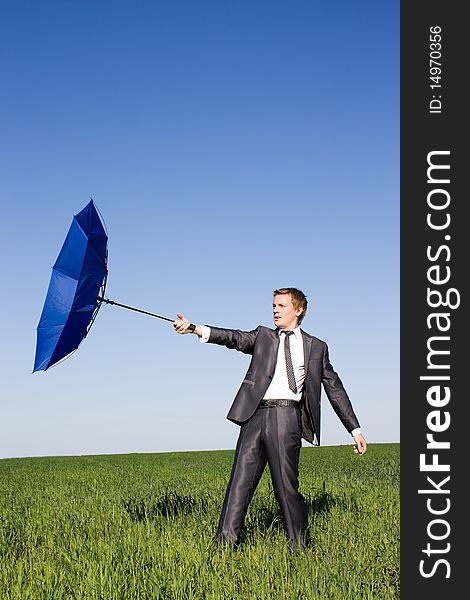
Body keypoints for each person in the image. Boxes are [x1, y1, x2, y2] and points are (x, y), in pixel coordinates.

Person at [173, 287, 367, 549]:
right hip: (253, 416)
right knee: (239, 486)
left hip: (287, 416)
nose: (275, 310)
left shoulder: (317, 347)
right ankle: (223, 549)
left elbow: (335, 388)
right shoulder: (263, 336)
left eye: (281, 306)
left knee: (285, 488)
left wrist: (354, 429)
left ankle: (299, 548)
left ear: (298, 310)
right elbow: (233, 337)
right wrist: (195, 328)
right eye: (274, 305)